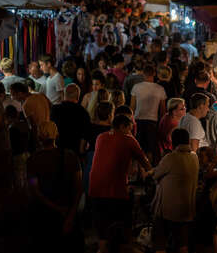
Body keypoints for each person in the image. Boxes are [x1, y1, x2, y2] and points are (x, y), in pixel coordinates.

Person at [89, 115, 152, 253]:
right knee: (122, 224)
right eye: (129, 129)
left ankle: (103, 248)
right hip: (115, 190)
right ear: (123, 126)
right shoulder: (128, 140)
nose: (130, 132)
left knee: (102, 226)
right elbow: (144, 161)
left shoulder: (101, 137)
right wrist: (152, 173)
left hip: (95, 188)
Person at [27, 121, 83, 253]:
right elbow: (79, 187)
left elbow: (34, 191)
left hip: (44, 215)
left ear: (39, 137)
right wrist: (71, 214)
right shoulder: (70, 156)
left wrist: (56, 208)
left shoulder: (33, 160)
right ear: (56, 134)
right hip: (68, 210)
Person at [149, 128, 199, 253]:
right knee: (182, 243)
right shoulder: (195, 158)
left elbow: (156, 175)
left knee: (160, 242)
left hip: (167, 210)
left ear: (174, 141)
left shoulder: (171, 158)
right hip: (186, 210)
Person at [131, 64, 167, 159]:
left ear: (143, 74)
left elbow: (132, 107)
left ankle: (139, 170)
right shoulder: (160, 89)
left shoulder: (136, 87)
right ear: (154, 74)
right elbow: (163, 110)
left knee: (139, 149)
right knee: (151, 149)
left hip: (138, 119)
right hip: (152, 121)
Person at [81, 101, 114, 194]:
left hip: (91, 162)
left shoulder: (90, 127)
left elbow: (81, 148)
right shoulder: (112, 131)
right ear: (110, 114)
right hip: (107, 166)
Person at [50, 83, 91, 156]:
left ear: (64, 95)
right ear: (78, 97)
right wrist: (81, 152)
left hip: (57, 148)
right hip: (74, 151)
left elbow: (50, 128)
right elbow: (85, 134)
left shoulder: (54, 109)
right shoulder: (83, 113)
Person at [10, 82, 52, 151]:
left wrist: (35, 143)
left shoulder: (26, 104)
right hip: (50, 131)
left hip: (40, 136)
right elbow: (51, 107)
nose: (13, 98)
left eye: (13, 95)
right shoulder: (41, 95)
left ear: (20, 93)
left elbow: (32, 126)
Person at [5, 105, 30, 190]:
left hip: (17, 156)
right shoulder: (24, 125)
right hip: (26, 153)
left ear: (7, 117)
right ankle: (27, 192)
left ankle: (20, 194)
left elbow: (10, 145)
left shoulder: (11, 128)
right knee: (25, 175)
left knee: (18, 177)